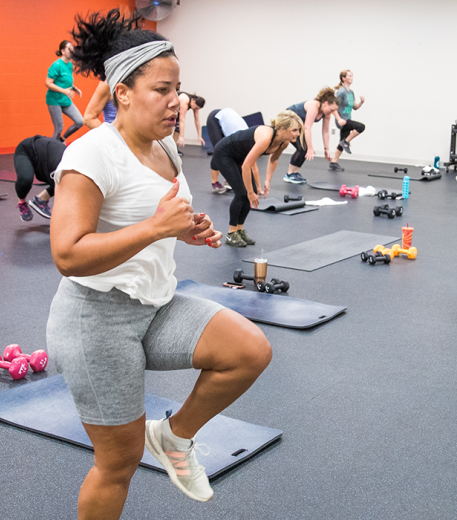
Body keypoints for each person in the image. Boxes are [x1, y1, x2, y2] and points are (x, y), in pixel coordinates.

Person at [50, 10, 271, 517]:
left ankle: (174, 436)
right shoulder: (92, 154)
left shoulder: (165, 146)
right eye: (161, 89)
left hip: (155, 304)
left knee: (249, 351)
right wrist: (154, 228)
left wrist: (189, 231)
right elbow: (67, 254)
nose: (177, 101)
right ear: (122, 92)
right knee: (118, 463)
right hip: (96, 320)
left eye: (179, 88)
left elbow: (162, 217)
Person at [212, 110, 302, 247]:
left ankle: (239, 230)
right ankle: (231, 233)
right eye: (295, 130)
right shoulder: (266, 137)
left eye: (299, 130)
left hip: (240, 157)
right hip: (224, 153)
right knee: (242, 193)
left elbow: (274, 159)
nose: (298, 134)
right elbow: (246, 166)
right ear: (282, 128)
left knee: (251, 193)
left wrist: (266, 181)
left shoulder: (284, 142)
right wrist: (250, 192)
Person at [282, 87, 345, 184]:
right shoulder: (313, 106)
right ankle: (290, 174)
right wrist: (310, 147)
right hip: (287, 121)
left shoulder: (326, 112)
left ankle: (294, 173)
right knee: (304, 148)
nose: (332, 112)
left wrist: (326, 149)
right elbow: (307, 127)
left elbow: (325, 131)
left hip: (298, 125)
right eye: (331, 110)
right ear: (326, 104)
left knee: (304, 148)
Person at [12, 134, 64, 222]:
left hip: (45, 153)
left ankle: (40, 200)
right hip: (26, 150)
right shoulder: (61, 164)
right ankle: (22, 202)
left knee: (63, 183)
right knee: (25, 179)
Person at [203, 107, 249, 193]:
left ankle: (228, 180)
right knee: (218, 150)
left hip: (227, 121)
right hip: (215, 119)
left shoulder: (246, 139)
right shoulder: (241, 139)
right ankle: (215, 182)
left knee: (234, 154)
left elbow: (251, 165)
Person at [328, 70, 366, 172]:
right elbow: (333, 106)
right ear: (343, 78)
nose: (352, 77)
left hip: (347, 120)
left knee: (342, 141)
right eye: (349, 76)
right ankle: (345, 142)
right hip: (342, 121)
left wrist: (361, 102)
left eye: (352, 75)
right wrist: (339, 119)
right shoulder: (341, 91)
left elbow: (355, 107)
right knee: (361, 127)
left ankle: (333, 163)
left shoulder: (350, 92)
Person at [47, 41, 85, 141]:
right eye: (70, 49)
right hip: (54, 100)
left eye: (73, 49)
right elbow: (48, 83)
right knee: (58, 128)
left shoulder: (69, 65)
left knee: (80, 121)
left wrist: (73, 87)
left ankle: (62, 139)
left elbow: (65, 80)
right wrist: (64, 91)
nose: (72, 51)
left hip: (65, 99)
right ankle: (51, 150)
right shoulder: (56, 65)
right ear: (63, 51)